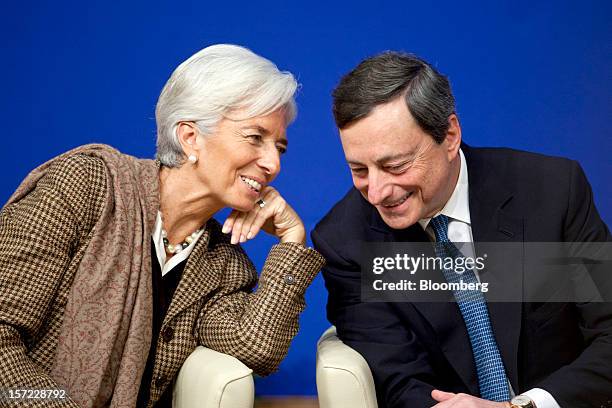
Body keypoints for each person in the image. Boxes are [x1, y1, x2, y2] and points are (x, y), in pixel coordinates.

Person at [0, 44, 324, 408]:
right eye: (255, 137)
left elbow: (256, 347)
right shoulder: (86, 186)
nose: (272, 164)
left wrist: (292, 240)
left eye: (279, 147)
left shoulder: (222, 266)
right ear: (190, 137)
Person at [312, 51, 612, 408]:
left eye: (395, 165)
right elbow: (399, 381)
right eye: (359, 170)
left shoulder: (553, 190)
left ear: (450, 135)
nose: (376, 193)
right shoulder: (346, 241)